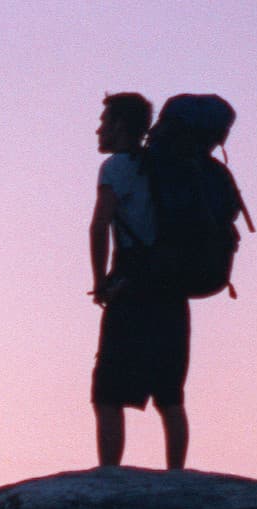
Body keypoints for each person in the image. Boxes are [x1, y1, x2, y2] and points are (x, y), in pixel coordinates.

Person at [90, 92, 190, 469]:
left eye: (105, 120)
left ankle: (109, 478)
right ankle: (177, 478)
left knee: (108, 394)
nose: (99, 129)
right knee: (171, 396)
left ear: (120, 126)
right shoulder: (167, 167)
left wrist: (100, 281)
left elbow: (100, 225)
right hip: (172, 288)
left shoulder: (116, 167)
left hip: (132, 289)